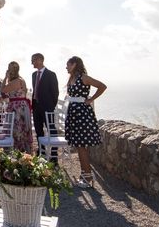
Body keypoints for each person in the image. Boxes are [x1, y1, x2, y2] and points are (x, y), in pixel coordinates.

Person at [64, 56, 107, 188]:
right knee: (79, 145)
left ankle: (88, 177)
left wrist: (90, 99)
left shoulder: (84, 77)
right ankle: (84, 174)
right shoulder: (71, 78)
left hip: (82, 114)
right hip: (73, 113)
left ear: (75, 64)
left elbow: (102, 86)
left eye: (68, 65)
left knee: (81, 146)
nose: (66, 67)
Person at [31, 53, 59, 159]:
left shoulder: (51, 74)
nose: (32, 63)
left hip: (48, 107)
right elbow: (35, 90)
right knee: (39, 130)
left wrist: (51, 106)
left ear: (40, 60)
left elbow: (55, 92)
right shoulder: (34, 75)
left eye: (33, 60)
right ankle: (41, 151)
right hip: (36, 107)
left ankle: (54, 154)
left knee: (51, 129)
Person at [1, 61, 33, 153]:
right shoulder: (21, 79)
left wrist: (5, 78)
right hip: (22, 106)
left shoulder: (15, 81)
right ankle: (25, 151)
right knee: (23, 128)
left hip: (16, 108)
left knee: (16, 129)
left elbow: (2, 90)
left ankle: (17, 151)